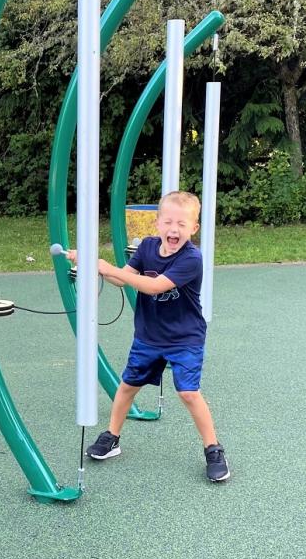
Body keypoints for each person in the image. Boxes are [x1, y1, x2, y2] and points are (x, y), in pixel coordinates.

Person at [71, 190, 230, 482]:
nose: (174, 229)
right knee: (128, 386)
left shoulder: (192, 259)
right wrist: (92, 263)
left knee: (188, 392)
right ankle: (111, 437)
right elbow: (122, 279)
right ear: (157, 223)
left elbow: (154, 286)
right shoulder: (146, 247)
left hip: (185, 338)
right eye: (168, 221)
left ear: (193, 229)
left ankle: (213, 449)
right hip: (148, 336)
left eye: (182, 224)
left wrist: (105, 267)